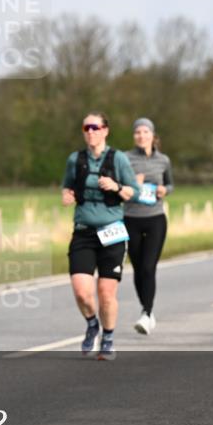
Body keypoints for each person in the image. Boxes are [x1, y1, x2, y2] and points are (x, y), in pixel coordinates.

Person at [61, 112, 139, 361]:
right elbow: (67, 186)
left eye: (95, 127)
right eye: (86, 128)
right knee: (82, 292)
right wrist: (67, 195)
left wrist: (116, 187)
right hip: (84, 231)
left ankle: (108, 337)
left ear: (105, 130)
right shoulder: (76, 159)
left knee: (106, 292)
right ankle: (92, 324)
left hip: (112, 231)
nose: (91, 132)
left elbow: (134, 192)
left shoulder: (119, 159)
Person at [123, 118, 173, 335]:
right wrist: (134, 185)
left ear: (153, 135)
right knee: (137, 267)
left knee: (148, 267)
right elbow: (118, 187)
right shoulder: (125, 158)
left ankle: (146, 312)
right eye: (137, 132)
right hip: (130, 218)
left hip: (155, 219)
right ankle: (147, 310)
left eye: (145, 132)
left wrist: (164, 190)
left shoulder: (163, 160)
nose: (141, 136)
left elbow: (170, 184)